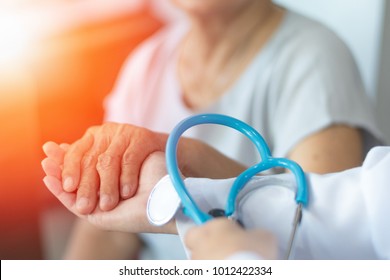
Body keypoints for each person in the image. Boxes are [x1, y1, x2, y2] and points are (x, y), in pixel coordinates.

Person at [43, 0, 383, 259]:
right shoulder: (146, 63)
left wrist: (188, 166)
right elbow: (109, 232)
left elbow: (315, 238)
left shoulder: (315, 57)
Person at [42, 147, 390, 259]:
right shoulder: (144, 65)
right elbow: (350, 210)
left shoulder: (313, 58)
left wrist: (238, 262)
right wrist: (176, 194)